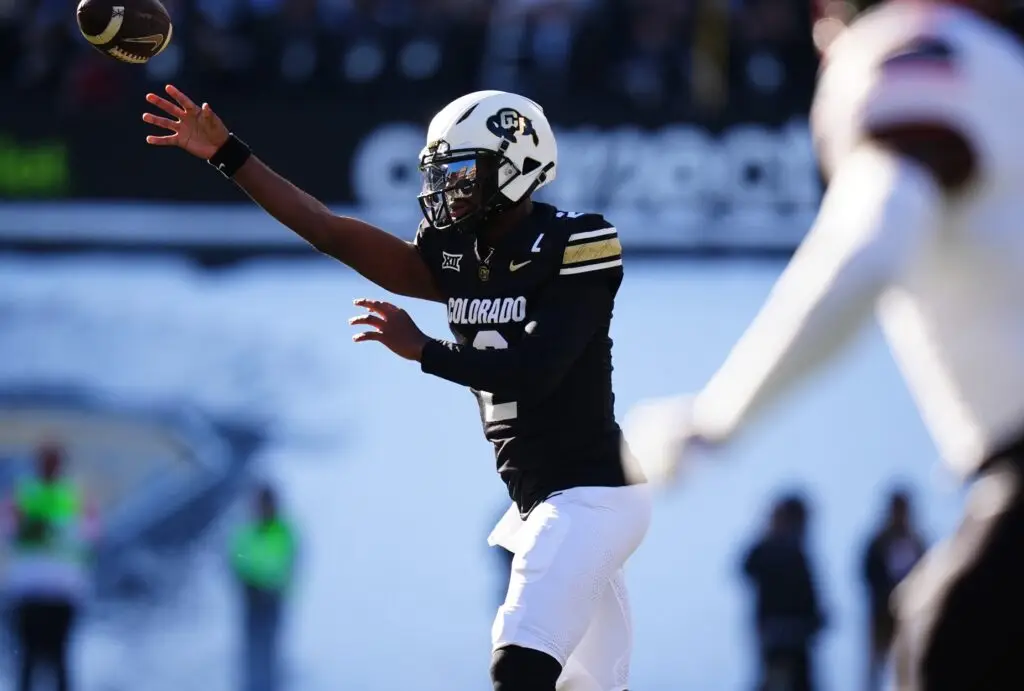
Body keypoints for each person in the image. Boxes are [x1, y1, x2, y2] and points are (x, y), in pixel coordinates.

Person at [141, 86, 652, 691]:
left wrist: (426, 351)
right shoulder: (460, 255)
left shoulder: (576, 242)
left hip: (590, 496)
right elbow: (328, 230)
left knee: (519, 662)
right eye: (442, 174)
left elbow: (540, 370)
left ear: (517, 165)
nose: (448, 190)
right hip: (546, 499)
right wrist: (229, 154)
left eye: (463, 173)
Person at [620, 0, 1024, 688]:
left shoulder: (912, 44)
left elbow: (870, 244)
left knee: (949, 641)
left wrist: (717, 417)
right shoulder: (997, 66)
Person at [4, 442, 96, 691]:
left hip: (63, 591)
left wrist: (46, 529)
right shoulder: (23, 492)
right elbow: (9, 528)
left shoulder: (75, 494)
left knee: (59, 662)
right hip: (30, 590)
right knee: (28, 662)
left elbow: (90, 533)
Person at [742, 494, 826, 691]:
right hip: (780, 636)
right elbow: (748, 568)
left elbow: (808, 594)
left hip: (793, 636)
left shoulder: (793, 551)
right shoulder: (773, 550)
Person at [230, 483, 297, 691]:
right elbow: (237, 557)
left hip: (273, 598)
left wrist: (274, 585)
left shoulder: (283, 532)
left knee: (270, 644)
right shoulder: (247, 531)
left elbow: (288, 561)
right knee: (252, 645)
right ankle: (251, 683)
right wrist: (245, 581)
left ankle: (270, 684)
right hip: (251, 596)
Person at [861, 488, 926, 691]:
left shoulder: (916, 541)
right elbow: (868, 574)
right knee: (875, 671)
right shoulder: (878, 542)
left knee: (909, 669)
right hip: (881, 616)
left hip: (910, 619)